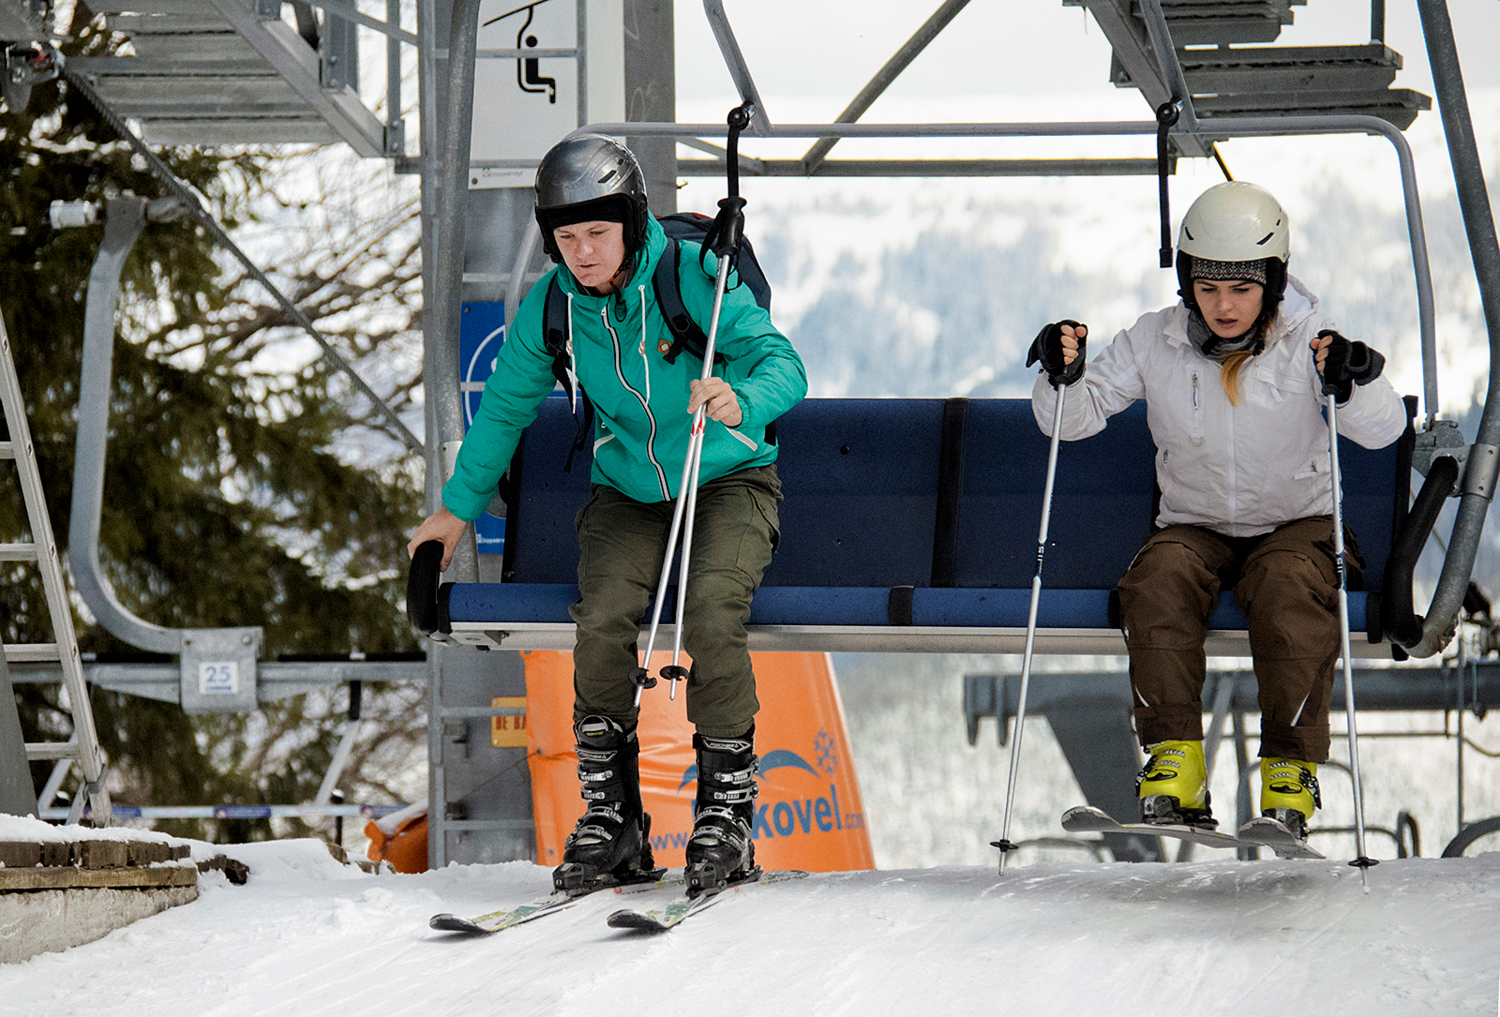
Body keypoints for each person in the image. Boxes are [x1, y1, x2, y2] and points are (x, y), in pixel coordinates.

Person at [408, 135, 806, 893]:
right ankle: (615, 815)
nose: (582, 253)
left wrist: (739, 399)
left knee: (713, 611)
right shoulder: (554, 306)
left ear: (629, 222)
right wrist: (453, 514)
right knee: (601, 621)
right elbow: (504, 410)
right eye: (566, 238)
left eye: (597, 234)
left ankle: (726, 810)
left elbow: (784, 365)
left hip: (727, 476)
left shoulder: (694, 278)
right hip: (629, 489)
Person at [1027, 181, 1407, 840]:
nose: (1223, 305)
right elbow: (1072, 420)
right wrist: (1061, 375)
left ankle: (1288, 770)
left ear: (1273, 281)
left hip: (1298, 525)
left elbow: (1383, 429)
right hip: (1195, 526)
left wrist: (1353, 382)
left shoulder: (1309, 343)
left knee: (1288, 587)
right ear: (1186, 283)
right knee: (1156, 583)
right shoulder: (1155, 340)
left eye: (1241, 288)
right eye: (1207, 288)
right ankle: (1174, 761)